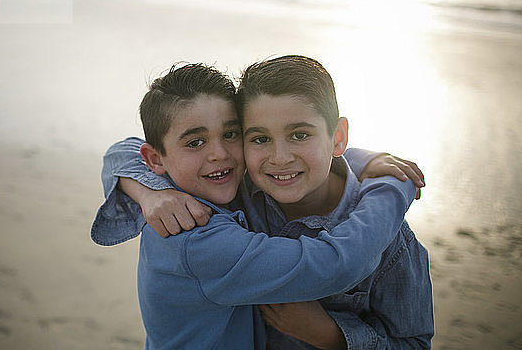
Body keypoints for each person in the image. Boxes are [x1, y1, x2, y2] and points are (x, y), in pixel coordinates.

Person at [91, 62, 419, 350]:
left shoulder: (224, 185)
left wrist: (362, 159)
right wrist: (394, 186)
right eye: (195, 142)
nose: (219, 153)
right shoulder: (193, 235)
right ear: (155, 159)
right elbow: (335, 266)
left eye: (231, 134)